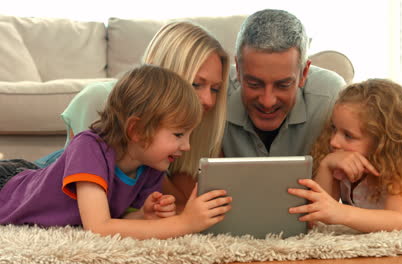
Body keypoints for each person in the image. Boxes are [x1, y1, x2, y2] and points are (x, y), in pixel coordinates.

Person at [0, 65, 232, 239]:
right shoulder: (89, 147)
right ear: (136, 130)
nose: (187, 146)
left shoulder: (151, 167)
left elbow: (117, 220)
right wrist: (184, 223)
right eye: (179, 135)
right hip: (8, 185)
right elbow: (99, 226)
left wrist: (143, 215)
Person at [34, 21, 230, 205]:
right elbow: (95, 200)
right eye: (196, 84)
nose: (209, 101)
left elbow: (179, 200)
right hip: (33, 181)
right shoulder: (102, 98)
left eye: (215, 89)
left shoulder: (203, 124)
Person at [287, 79, 402, 232]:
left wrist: (341, 212)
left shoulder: (400, 165)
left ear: (381, 141)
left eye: (348, 136)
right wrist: (326, 165)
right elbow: (315, 219)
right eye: (334, 129)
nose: (334, 141)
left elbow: (401, 220)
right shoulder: (341, 162)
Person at [222, 9, 346, 157]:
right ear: (238, 70)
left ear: (304, 72)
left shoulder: (332, 98)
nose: (267, 102)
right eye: (254, 84)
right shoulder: (213, 93)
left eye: (283, 85)